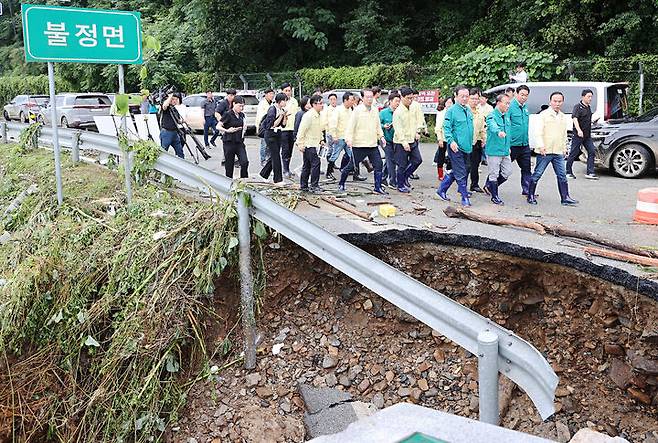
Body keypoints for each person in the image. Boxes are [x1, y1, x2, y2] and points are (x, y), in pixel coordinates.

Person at [527, 92, 578, 206]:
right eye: (555, 101)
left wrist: (564, 148)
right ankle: (530, 195)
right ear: (550, 102)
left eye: (559, 101)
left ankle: (565, 197)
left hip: (558, 151)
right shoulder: (544, 115)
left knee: (562, 175)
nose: (557, 103)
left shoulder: (562, 116)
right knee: (537, 174)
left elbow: (564, 134)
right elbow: (538, 132)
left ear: (562, 102)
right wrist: (540, 146)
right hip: (545, 150)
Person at [339, 88, 387, 194]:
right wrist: (348, 139)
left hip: (372, 144)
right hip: (359, 145)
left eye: (371, 97)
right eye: (367, 97)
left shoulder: (374, 110)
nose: (370, 99)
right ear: (363, 98)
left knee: (378, 165)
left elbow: (378, 126)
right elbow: (350, 126)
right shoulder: (357, 110)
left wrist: (381, 137)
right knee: (351, 166)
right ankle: (341, 184)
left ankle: (377, 187)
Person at [436, 85, 474, 206]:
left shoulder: (468, 110)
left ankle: (442, 189)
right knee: (461, 171)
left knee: (465, 168)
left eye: (466, 96)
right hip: (455, 147)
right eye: (462, 96)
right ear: (456, 96)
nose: (464, 99)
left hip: (467, 146)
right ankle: (464, 197)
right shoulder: (451, 111)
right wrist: (451, 141)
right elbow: (447, 128)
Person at [483, 94, 512, 205]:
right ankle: (495, 196)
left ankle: (489, 186)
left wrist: (508, 146)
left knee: (507, 172)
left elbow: (509, 133)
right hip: (494, 150)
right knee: (493, 173)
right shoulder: (492, 115)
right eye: (506, 103)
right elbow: (492, 125)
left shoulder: (506, 115)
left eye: (509, 103)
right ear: (498, 103)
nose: (508, 105)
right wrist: (498, 131)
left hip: (505, 150)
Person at [393, 87, 423, 193]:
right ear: (402, 97)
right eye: (408, 98)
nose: (410, 100)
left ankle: (405, 177)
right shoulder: (398, 112)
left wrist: (417, 132)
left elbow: (416, 122)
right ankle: (400, 185)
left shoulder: (413, 108)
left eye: (412, 98)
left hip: (412, 139)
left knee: (417, 160)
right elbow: (398, 128)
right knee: (402, 165)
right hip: (401, 142)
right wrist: (404, 142)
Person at [566, 89, 598, 180]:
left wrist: (593, 122)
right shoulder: (577, 107)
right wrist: (579, 130)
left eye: (591, 97)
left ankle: (590, 172)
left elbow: (586, 119)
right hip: (578, 135)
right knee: (573, 153)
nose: (590, 98)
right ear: (583, 97)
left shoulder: (588, 107)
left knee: (591, 151)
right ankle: (568, 172)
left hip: (587, 135)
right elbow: (575, 119)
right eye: (588, 96)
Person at [296, 95, 325, 193]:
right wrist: (300, 143)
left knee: (307, 166)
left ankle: (304, 185)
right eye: (320, 103)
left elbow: (319, 129)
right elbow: (301, 130)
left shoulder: (319, 114)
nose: (322, 105)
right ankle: (314, 186)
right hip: (309, 144)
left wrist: (322, 140)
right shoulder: (308, 116)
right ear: (314, 104)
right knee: (315, 165)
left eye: (322, 103)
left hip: (316, 144)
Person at [259, 93, 289, 184]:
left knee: (273, 156)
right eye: (284, 100)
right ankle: (278, 179)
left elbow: (283, 125)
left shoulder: (282, 109)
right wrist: (280, 115)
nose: (285, 103)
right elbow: (272, 124)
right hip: (270, 134)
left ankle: (264, 174)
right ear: (280, 101)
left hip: (278, 134)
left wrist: (284, 116)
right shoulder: (272, 109)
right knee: (276, 157)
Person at [508, 85, 532, 195]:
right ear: (516, 94)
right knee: (504, 168)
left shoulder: (526, 107)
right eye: (522, 94)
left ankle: (527, 189)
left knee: (526, 168)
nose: (524, 97)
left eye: (526, 95)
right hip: (512, 143)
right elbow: (506, 125)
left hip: (524, 143)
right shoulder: (510, 106)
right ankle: (490, 185)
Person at [327, 92, 356, 180]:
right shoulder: (338, 110)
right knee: (335, 155)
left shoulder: (351, 110)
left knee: (352, 155)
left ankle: (354, 173)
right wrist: (334, 136)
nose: (353, 102)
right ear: (345, 100)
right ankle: (329, 172)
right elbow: (333, 124)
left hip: (348, 138)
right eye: (351, 100)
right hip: (339, 137)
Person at [218, 96, 248, 179]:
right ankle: (228, 182)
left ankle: (243, 180)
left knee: (244, 162)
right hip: (229, 142)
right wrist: (227, 130)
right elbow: (218, 126)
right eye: (240, 106)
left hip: (239, 142)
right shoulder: (228, 114)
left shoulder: (242, 115)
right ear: (234, 104)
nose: (241, 108)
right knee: (229, 165)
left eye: (243, 106)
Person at [380, 92, 400, 188]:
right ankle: (393, 181)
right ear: (390, 101)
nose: (398, 103)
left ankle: (382, 178)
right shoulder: (383, 113)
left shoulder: (399, 112)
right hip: (385, 140)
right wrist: (384, 126)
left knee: (390, 159)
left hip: (396, 140)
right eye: (396, 101)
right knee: (391, 159)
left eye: (399, 101)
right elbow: (376, 125)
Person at [468, 88, 487, 193]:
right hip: (465, 142)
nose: (475, 101)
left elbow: (482, 127)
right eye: (473, 99)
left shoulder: (480, 112)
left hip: (477, 141)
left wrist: (484, 138)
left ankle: (474, 184)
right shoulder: (464, 110)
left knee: (475, 164)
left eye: (477, 99)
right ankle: (461, 186)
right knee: (466, 166)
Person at [280, 82, 300, 179]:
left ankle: (287, 167)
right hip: (283, 129)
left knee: (290, 150)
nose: (288, 93)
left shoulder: (294, 101)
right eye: (286, 91)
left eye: (289, 91)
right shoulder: (280, 101)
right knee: (285, 149)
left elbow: (296, 115)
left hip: (292, 128)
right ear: (282, 91)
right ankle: (285, 169)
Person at [159, 92, 185, 158]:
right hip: (166, 133)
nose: (175, 101)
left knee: (180, 152)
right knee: (163, 152)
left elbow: (178, 121)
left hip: (175, 133)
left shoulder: (174, 109)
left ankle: (182, 166)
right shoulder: (167, 108)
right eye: (173, 99)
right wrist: (170, 96)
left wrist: (182, 121)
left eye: (176, 99)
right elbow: (164, 106)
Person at [433, 97, 453, 181]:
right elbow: (438, 127)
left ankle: (449, 172)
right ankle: (440, 174)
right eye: (448, 102)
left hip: (452, 139)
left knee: (452, 156)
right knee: (441, 155)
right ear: (445, 103)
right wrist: (440, 139)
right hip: (443, 138)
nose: (449, 104)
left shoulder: (454, 112)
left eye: (451, 102)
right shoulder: (442, 113)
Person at [256, 88, 275, 166]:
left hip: (269, 126)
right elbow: (261, 116)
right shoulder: (262, 104)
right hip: (263, 126)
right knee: (264, 143)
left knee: (268, 144)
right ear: (266, 94)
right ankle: (263, 159)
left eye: (273, 94)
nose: (272, 95)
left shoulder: (271, 103)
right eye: (270, 94)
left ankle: (267, 159)